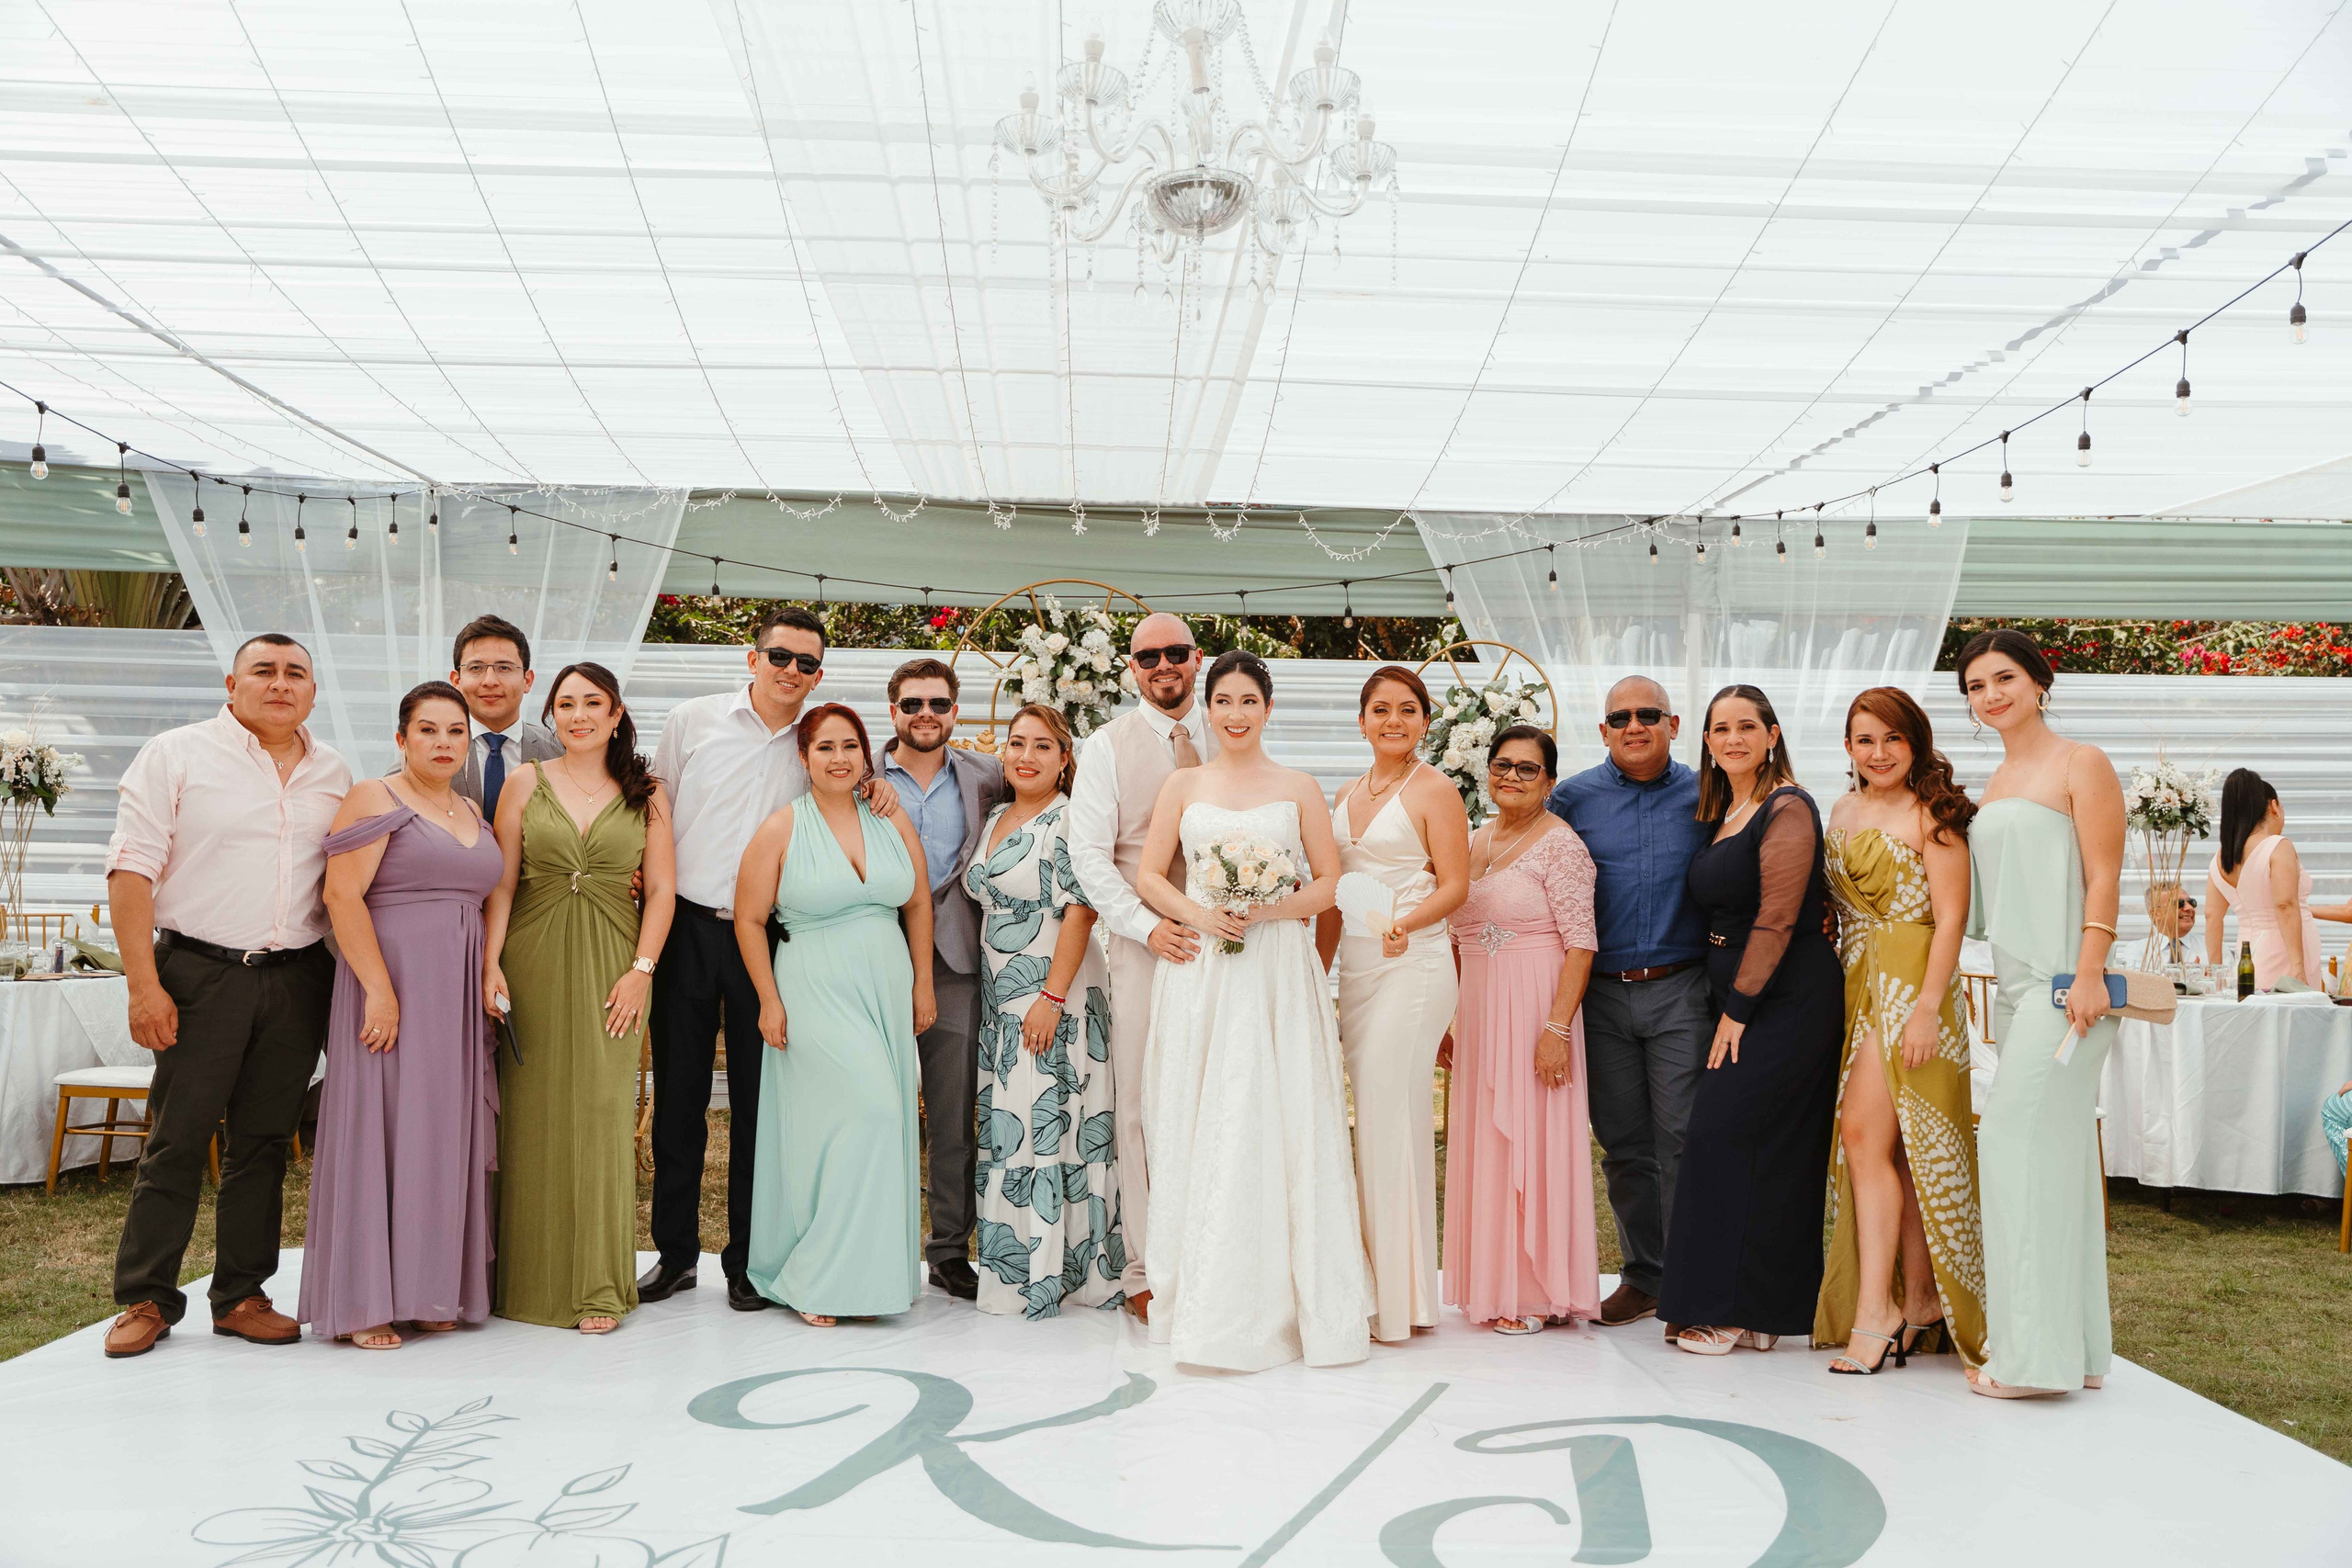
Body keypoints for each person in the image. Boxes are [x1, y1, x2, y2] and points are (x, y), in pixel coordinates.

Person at [100, 634, 350, 1359]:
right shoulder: (176, 755)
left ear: (312, 688)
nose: (280, 684)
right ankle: (146, 1295)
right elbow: (131, 871)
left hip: (298, 977)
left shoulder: (333, 772)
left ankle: (241, 1293)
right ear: (232, 682)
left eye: (295, 672)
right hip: (199, 975)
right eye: (264, 671)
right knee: (178, 1139)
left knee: (265, 1144)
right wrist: (142, 984)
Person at [641, 608, 896, 1314]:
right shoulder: (693, 721)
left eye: (806, 663)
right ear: (751, 657)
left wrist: (877, 786)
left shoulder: (818, 743)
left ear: (821, 673)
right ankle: (674, 1255)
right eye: (779, 656)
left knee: (763, 1107)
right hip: (688, 927)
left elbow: (850, 793)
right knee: (681, 1101)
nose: (791, 671)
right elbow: (654, 804)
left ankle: (749, 1261)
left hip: (772, 943)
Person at [1135, 650, 1374, 1371]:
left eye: (1249, 700)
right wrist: (1200, 915)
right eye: (1224, 701)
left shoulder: (1299, 786)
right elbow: (1149, 874)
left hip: (1274, 965)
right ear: (1207, 709)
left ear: (1268, 709)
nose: (1236, 714)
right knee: (1204, 1106)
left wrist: (1268, 906)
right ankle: (1201, 1294)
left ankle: (1289, 1302)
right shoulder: (1184, 783)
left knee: (1279, 1108)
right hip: (1204, 967)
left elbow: (1330, 884)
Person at [300, 682, 503, 1348]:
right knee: (381, 1129)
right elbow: (341, 894)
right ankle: (364, 1303)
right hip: (390, 987)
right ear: (401, 738)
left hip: (456, 998)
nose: (443, 742)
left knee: (439, 1133)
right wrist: (380, 991)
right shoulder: (374, 795)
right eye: (428, 730)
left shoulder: (472, 808)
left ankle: (427, 1287)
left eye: (455, 731)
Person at [482, 663, 676, 1333]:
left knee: (599, 1114)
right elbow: (502, 885)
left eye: (592, 702)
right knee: (529, 1114)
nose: (578, 714)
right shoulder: (523, 783)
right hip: (530, 959)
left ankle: (598, 1283)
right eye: (565, 704)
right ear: (551, 716)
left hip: (615, 968)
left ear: (617, 712)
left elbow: (662, 892)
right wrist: (489, 964)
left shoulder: (646, 793)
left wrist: (642, 969)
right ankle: (525, 1279)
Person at [1959, 628, 2125, 1399]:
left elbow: (2103, 876)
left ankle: (2029, 1362)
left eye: (2003, 678)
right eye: (1974, 685)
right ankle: (2081, 1349)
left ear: (2038, 681)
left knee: (2014, 1152)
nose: (1989, 694)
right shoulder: (1993, 780)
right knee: (2053, 1164)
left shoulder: (2079, 762)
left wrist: (2088, 973)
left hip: (2069, 989)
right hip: (2022, 987)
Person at [733, 704, 934, 1325]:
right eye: (825, 747)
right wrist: (769, 997)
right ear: (804, 756)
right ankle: (816, 1275)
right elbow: (749, 918)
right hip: (813, 989)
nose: (840, 757)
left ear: (866, 755)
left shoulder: (889, 814)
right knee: (867, 1112)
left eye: (850, 745)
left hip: (885, 985)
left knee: (874, 1125)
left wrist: (923, 982)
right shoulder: (781, 827)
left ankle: (869, 1278)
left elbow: (919, 900)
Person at [1661, 685, 1842, 1358]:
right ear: (1705, 741)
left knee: (1726, 1138)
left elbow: (1778, 916)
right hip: (1737, 993)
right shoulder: (1726, 810)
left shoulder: (1786, 807)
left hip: (1783, 996)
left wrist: (1737, 1011)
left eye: (1746, 726)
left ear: (1772, 733)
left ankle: (1731, 1309)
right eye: (1719, 728)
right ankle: (1765, 1311)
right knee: (1758, 1147)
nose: (1732, 738)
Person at [1814, 688, 1986, 1375]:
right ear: (1849, 748)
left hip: (1913, 991)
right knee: (1897, 1152)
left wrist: (1925, 1008)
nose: (1877, 753)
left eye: (1891, 738)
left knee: (1863, 1135)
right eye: (1864, 740)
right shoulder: (1843, 810)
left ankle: (1876, 1312)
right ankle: (1919, 1300)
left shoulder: (1933, 814)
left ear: (1915, 742)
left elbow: (1951, 919)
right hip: (1854, 985)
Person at [1544, 677, 1713, 1331]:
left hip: (1681, 989)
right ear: (1604, 730)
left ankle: (1690, 1283)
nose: (1635, 725)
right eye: (1621, 716)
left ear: (1674, 724)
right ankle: (1644, 1276)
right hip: (1602, 995)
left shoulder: (1707, 791)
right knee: (1623, 1143)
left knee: (1682, 1139)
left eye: (1649, 715)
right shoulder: (1573, 798)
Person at [1317, 665, 1468, 1344]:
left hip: (1416, 960)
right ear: (1362, 720)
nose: (1393, 721)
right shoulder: (1343, 793)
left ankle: (1402, 1297)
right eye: (1381, 709)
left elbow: (1457, 885)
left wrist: (1408, 923)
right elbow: (1331, 892)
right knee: (1372, 1118)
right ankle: (1375, 1285)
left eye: (1407, 710)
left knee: (1390, 1114)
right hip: (1358, 968)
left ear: (1424, 721)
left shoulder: (1435, 789)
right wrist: (1315, 972)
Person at [1068, 612, 1212, 1322]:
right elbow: (1090, 857)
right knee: (1142, 1111)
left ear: (1197, 658)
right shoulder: (1106, 746)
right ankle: (1146, 1270)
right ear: (1131, 668)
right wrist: (1148, 928)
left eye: (1175, 653)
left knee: (1222, 1097)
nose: (1164, 665)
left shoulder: (1229, 729)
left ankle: (1218, 1257)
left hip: (1232, 948)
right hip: (1143, 947)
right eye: (1148, 656)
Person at [965, 705, 1125, 1318]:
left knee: (1051, 1123)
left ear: (1065, 760)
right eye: (1015, 742)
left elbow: (1081, 909)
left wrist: (1051, 1000)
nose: (1025, 755)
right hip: (1003, 1000)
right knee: (1015, 1129)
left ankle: (1057, 1273)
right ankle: (1017, 1267)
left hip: (1054, 996)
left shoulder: (1069, 818)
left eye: (1041, 745)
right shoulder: (999, 815)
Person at [1442, 725, 1601, 1335]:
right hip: (1481, 1009)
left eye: (1527, 768)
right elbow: (1457, 937)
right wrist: (1450, 1016)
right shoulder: (1477, 839)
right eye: (1502, 765)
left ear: (1551, 781)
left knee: (1530, 1140)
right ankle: (1494, 1280)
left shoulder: (1561, 846)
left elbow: (1582, 944)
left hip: (1537, 1003)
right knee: (1488, 1139)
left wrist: (1556, 1027)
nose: (1511, 776)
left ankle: (1538, 1290)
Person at [882, 657, 1008, 1302]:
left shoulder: (988, 774)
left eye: (937, 703)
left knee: (954, 1117)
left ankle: (949, 1249)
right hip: (873, 959)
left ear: (955, 712)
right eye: (912, 704)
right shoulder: (857, 775)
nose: (925, 714)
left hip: (957, 961)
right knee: (872, 1111)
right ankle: (874, 1243)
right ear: (893, 711)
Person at [2205, 769, 2351, 990]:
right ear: (2274, 806)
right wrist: (2297, 965)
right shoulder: (2277, 846)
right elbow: (2285, 905)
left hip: (2247, 955)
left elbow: (2212, 917)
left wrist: (2215, 972)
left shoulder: (2220, 859)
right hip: (2284, 953)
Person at [445, 614, 560, 816]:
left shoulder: (558, 750)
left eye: (504, 668)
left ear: (528, 680)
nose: (490, 681)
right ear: (456, 680)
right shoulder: (429, 748)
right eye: (476, 668)